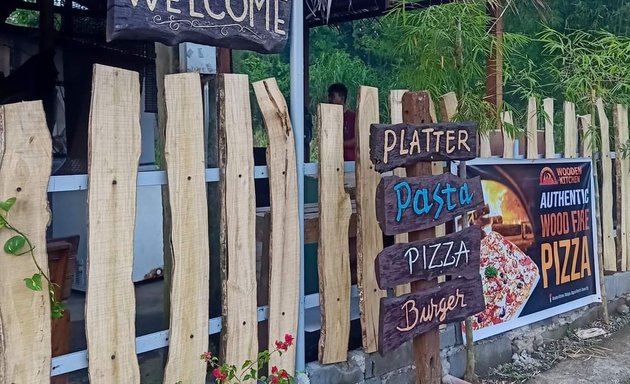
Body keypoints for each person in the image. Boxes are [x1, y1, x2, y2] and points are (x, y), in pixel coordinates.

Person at [328, 83, 356, 161]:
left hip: (350, 163)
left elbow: (357, 140)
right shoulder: (328, 118)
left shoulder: (353, 117)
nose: (330, 100)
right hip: (332, 161)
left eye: (333, 96)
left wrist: (338, 143)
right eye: (329, 96)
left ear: (342, 98)